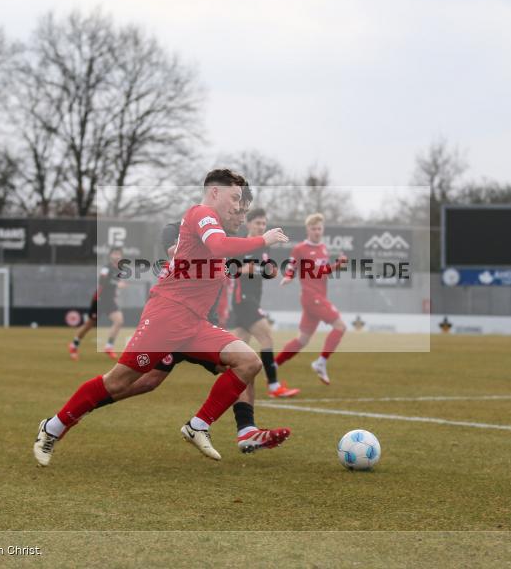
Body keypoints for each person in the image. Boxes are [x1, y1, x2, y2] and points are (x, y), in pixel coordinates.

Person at [34, 169, 290, 466]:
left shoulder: (219, 231)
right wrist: (264, 239)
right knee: (119, 382)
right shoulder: (201, 213)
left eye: (242, 203)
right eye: (234, 198)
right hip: (167, 316)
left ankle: (201, 425)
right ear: (214, 192)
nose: (238, 206)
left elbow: (219, 252)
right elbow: (218, 246)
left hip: (195, 323)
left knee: (248, 362)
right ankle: (53, 427)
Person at [94, 193, 291, 454]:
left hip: (203, 323)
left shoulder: (226, 236)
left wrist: (259, 263)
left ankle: (246, 430)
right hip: (175, 319)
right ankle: (89, 402)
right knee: (146, 381)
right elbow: (184, 255)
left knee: (245, 364)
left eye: (241, 209)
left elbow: (242, 263)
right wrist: (244, 260)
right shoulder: (178, 229)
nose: (236, 212)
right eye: (234, 205)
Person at [232, 207, 299, 398]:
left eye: (264, 223)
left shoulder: (264, 246)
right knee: (267, 338)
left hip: (253, 299)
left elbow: (265, 270)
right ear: (248, 224)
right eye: (257, 223)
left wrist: (270, 272)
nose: (261, 227)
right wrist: (249, 269)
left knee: (237, 348)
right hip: (243, 299)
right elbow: (230, 270)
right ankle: (274, 386)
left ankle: (227, 382)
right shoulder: (240, 244)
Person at [274, 213, 347, 385]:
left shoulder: (323, 248)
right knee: (340, 326)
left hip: (318, 297)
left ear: (323, 229)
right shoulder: (300, 248)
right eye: (313, 228)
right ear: (308, 229)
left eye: (319, 228)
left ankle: (274, 364)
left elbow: (321, 272)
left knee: (302, 340)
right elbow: (292, 265)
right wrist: (289, 276)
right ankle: (321, 363)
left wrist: (337, 265)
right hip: (310, 296)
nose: (316, 231)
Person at [69, 247, 127, 361]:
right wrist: (117, 285)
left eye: (119, 254)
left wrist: (116, 292)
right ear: (110, 255)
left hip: (110, 300)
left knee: (119, 321)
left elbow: (114, 285)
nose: (117, 256)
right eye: (114, 254)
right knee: (89, 325)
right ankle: (73, 346)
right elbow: (102, 282)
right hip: (99, 300)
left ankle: (109, 347)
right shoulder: (106, 268)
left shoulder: (119, 270)